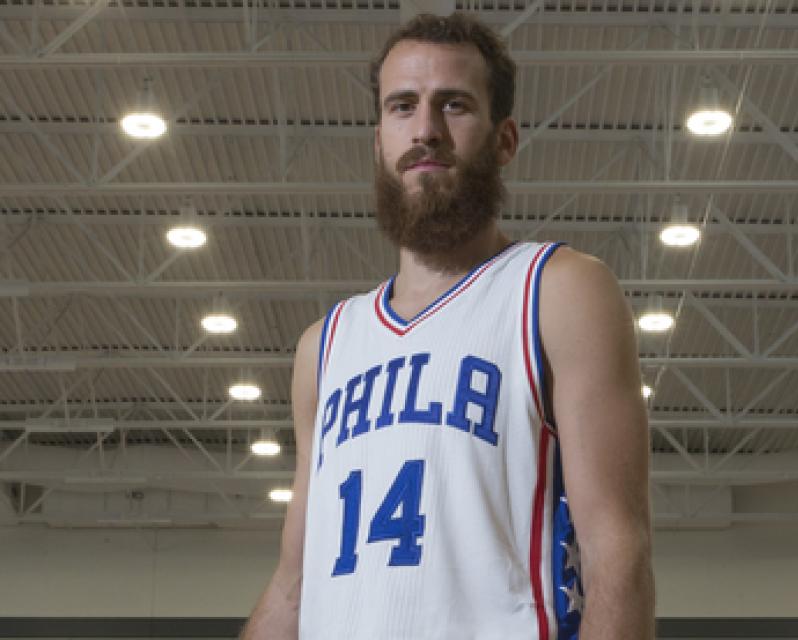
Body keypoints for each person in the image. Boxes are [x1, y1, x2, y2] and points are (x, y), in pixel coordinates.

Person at [241, 12, 653, 640]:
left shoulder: (557, 289)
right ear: (378, 138)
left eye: (453, 105)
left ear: (504, 139)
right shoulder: (322, 347)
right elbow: (294, 588)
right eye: (402, 106)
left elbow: (617, 553)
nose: (425, 130)